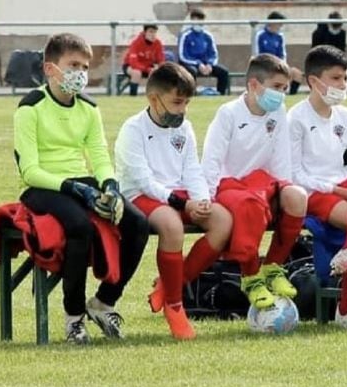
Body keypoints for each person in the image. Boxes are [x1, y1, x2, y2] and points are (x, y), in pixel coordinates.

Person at [13, 32, 150, 344]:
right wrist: (74, 189)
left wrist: (110, 185)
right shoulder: (30, 108)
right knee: (79, 227)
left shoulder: (89, 108)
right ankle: (74, 318)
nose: (81, 74)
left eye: (85, 67)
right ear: (50, 69)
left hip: (80, 182)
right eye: (73, 65)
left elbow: (99, 155)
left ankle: (103, 303)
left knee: (138, 224)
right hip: (42, 186)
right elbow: (30, 170)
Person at [116, 62, 233, 340]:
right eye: (177, 102)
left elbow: (192, 169)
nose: (182, 110)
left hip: (177, 195)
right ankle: (175, 305)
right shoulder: (133, 129)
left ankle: (170, 286)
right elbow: (143, 180)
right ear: (153, 99)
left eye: (186, 103)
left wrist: (201, 199)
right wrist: (181, 204)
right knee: (171, 226)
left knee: (223, 220)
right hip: (140, 195)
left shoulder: (185, 128)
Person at [201, 53, 309, 308]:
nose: (281, 94)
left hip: (263, 184)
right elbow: (212, 157)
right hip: (231, 185)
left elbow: (282, 155)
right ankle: (251, 277)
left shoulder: (279, 111)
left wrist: (286, 187)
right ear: (253, 85)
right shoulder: (228, 113)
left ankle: (273, 267)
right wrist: (206, 194)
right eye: (276, 88)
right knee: (249, 205)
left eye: (284, 88)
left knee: (298, 197)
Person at [288, 45, 347, 332]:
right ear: (314, 82)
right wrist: (336, 189)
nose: (343, 85)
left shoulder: (346, 116)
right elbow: (295, 173)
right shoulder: (296, 119)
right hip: (313, 190)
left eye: (345, 78)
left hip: (339, 183)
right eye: (336, 78)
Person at [178, 8, 231, 96]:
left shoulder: (208, 36)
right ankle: (192, 95)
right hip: (191, 65)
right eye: (196, 20)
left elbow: (214, 54)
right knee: (192, 71)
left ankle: (221, 95)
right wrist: (198, 64)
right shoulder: (185, 35)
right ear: (191, 21)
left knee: (223, 72)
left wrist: (210, 64)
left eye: (200, 20)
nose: (198, 23)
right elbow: (182, 56)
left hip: (206, 65)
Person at [254, 11, 304, 95]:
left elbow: (283, 54)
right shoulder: (260, 35)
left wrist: (283, 66)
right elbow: (256, 53)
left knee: (297, 74)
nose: (280, 26)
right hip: (264, 66)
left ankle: (290, 95)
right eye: (279, 24)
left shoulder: (280, 36)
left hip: (278, 66)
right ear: (272, 23)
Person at [312, 11, 347, 82]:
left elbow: (342, 50)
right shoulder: (319, 33)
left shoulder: (342, 33)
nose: (337, 29)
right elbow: (315, 52)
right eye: (335, 26)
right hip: (323, 63)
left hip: (337, 62)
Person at [122, 24, 166, 96]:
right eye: (150, 32)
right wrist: (147, 69)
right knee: (137, 73)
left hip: (148, 67)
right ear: (145, 33)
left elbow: (161, 59)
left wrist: (159, 68)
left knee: (159, 73)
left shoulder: (158, 43)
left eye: (155, 32)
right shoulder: (136, 43)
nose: (153, 34)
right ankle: (132, 97)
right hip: (130, 66)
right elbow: (133, 62)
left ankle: (156, 97)